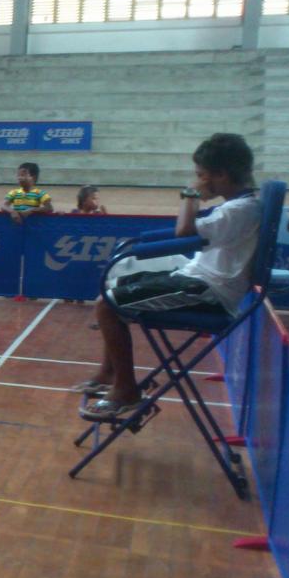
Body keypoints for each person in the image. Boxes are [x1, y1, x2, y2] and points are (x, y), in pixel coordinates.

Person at [73, 133, 260, 419]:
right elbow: (190, 228)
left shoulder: (241, 210)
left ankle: (126, 391)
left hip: (209, 292)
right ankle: (109, 373)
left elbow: (184, 231)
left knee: (107, 306)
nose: (198, 181)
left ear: (221, 174)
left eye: (201, 175)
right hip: (197, 279)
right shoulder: (237, 206)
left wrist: (190, 193)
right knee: (109, 294)